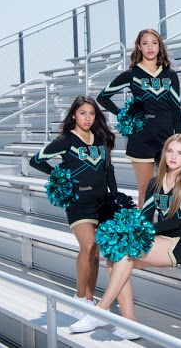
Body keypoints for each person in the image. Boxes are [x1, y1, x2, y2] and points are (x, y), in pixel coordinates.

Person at [69, 134, 181, 339]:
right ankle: (129, 323)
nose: (174, 156)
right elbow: (146, 217)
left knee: (124, 253)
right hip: (161, 238)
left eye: (180, 153)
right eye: (170, 151)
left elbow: (177, 221)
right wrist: (128, 228)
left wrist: (138, 233)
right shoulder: (154, 182)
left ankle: (101, 311)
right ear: (164, 153)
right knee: (114, 258)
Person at [29, 96, 117, 318]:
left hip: (101, 202)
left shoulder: (100, 138)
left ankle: (89, 298)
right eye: (82, 113)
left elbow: (108, 170)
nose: (87, 118)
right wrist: (60, 177)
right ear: (73, 115)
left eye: (92, 114)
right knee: (87, 246)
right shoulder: (66, 139)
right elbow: (36, 160)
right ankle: (79, 298)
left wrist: (114, 198)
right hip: (78, 204)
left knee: (96, 253)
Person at [97, 29, 181, 206]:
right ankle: (144, 232)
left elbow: (175, 110)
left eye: (154, 43)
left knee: (171, 188)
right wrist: (124, 114)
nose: (150, 47)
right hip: (141, 139)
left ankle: (168, 229)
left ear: (160, 46)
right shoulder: (132, 74)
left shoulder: (170, 75)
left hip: (166, 139)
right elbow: (103, 97)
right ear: (139, 47)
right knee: (145, 189)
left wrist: (179, 139)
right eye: (145, 43)